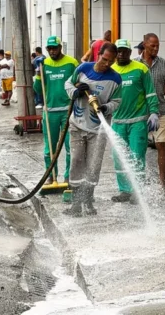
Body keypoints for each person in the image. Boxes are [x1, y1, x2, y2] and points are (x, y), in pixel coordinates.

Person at [63, 43, 122, 217]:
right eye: (104, 59)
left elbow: (117, 102)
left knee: (93, 166)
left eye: (110, 62)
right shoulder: (82, 69)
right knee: (76, 161)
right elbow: (68, 83)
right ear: (98, 55)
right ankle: (75, 204)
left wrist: (106, 108)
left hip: (99, 129)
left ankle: (88, 201)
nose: (106, 64)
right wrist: (75, 91)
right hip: (78, 125)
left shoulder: (116, 79)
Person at [110, 39, 160, 205]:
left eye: (124, 51)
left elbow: (150, 94)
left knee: (137, 156)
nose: (121, 54)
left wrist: (154, 112)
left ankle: (138, 191)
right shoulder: (111, 71)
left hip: (138, 121)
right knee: (119, 157)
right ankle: (125, 190)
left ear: (130, 52)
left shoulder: (141, 69)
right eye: (118, 51)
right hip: (117, 122)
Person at [137, 33, 165, 197]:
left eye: (157, 46)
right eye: (152, 46)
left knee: (161, 145)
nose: (155, 49)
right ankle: (138, 183)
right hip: (140, 112)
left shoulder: (162, 63)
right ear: (144, 45)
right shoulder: (135, 64)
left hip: (161, 111)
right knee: (139, 147)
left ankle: (162, 184)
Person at [33, 37, 78, 185]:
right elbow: (38, 90)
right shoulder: (44, 64)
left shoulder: (72, 63)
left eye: (55, 48)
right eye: (49, 48)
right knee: (50, 148)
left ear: (60, 47)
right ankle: (51, 176)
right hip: (50, 111)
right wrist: (39, 73)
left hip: (68, 111)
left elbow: (78, 83)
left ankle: (69, 176)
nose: (52, 51)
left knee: (71, 146)